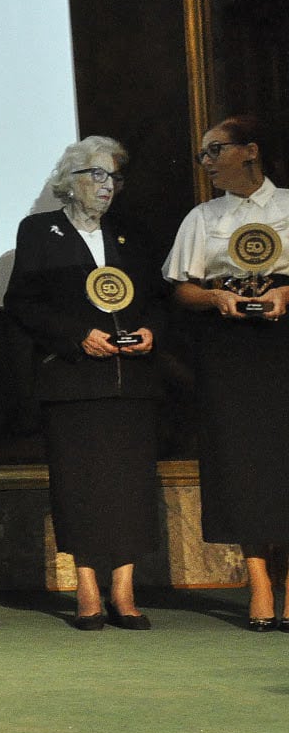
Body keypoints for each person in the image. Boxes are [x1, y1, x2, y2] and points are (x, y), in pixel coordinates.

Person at [6, 137, 165, 630]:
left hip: (130, 380)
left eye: (114, 177)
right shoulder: (39, 230)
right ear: (70, 181)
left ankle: (124, 589)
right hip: (72, 378)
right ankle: (88, 587)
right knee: (79, 486)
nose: (107, 186)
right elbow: (22, 302)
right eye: (97, 175)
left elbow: (158, 298)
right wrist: (77, 336)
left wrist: (151, 331)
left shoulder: (131, 232)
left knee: (130, 485)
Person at [163, 115, 289, 630]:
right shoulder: (203, 216)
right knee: (241, 461)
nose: (207, 162)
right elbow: (181, 288)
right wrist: (216, 298)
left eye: (215, 150)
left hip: (284, 341)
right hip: (230, 349)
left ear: (250, 150)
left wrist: (286, 292)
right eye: (202, 154)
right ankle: (258, 581)